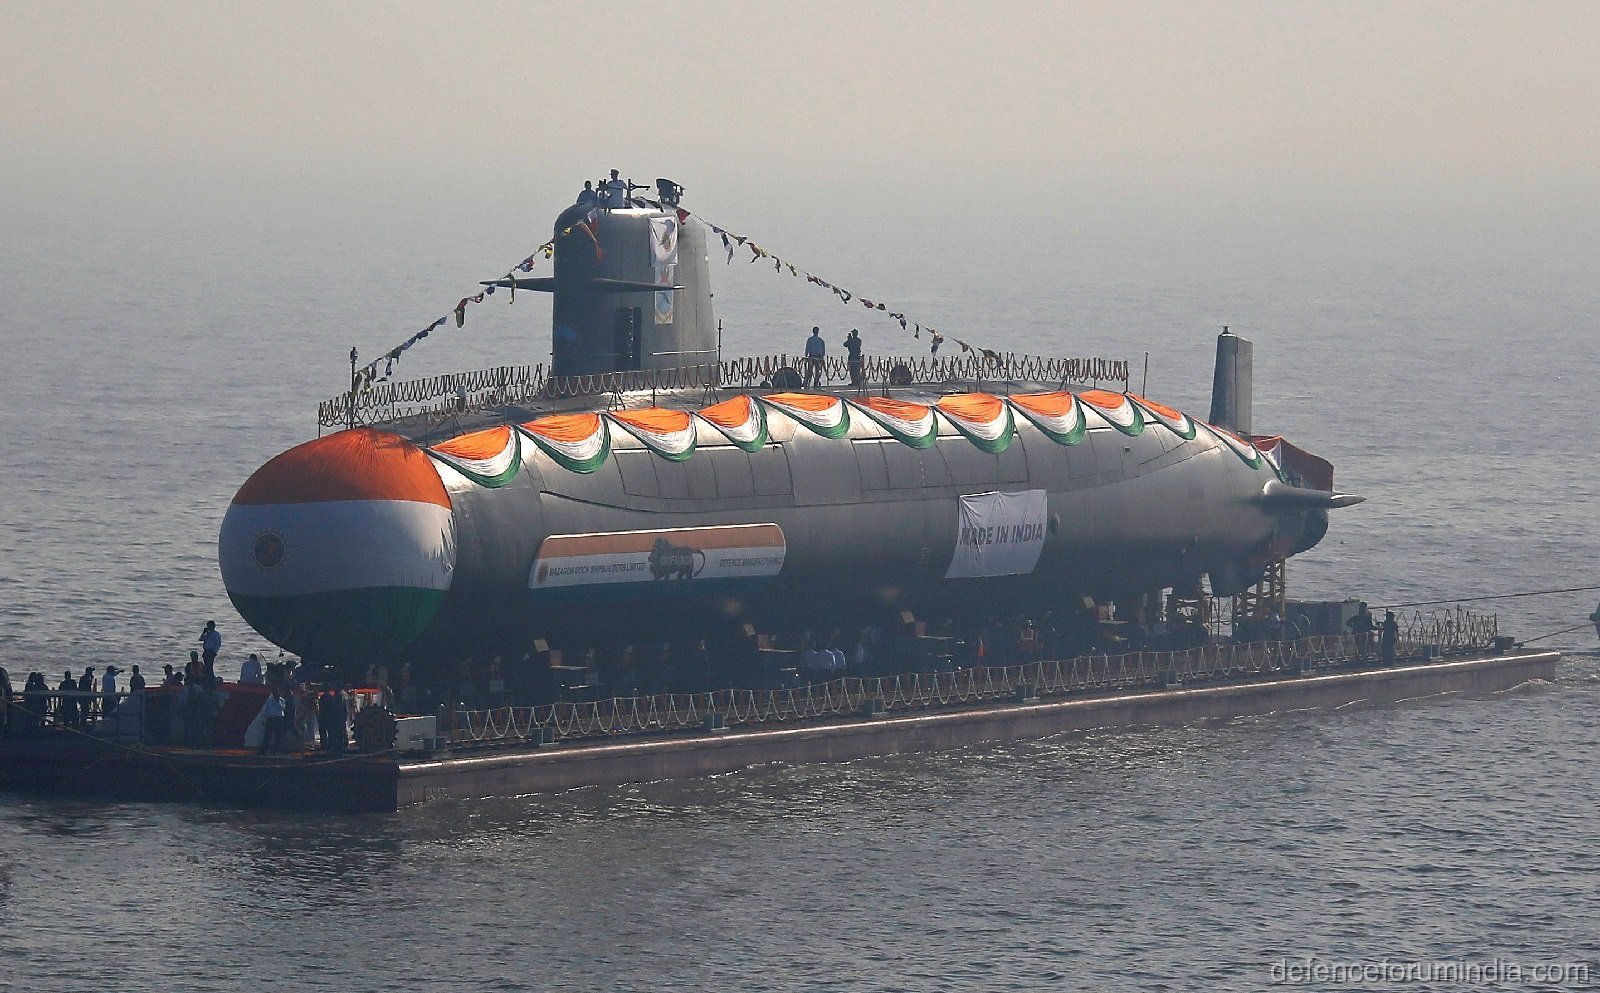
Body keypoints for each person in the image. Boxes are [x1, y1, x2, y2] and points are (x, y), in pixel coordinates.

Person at [259, 689, 287, 754]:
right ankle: (264, 750)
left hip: (278, 718)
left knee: (278, 735)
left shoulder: (282, 700)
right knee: (267, 735)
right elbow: (266, 710)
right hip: (270, 718)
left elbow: (282, 708)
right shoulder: (269, 701)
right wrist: (264, 719)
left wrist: (278, 701)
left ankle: (277, 750)